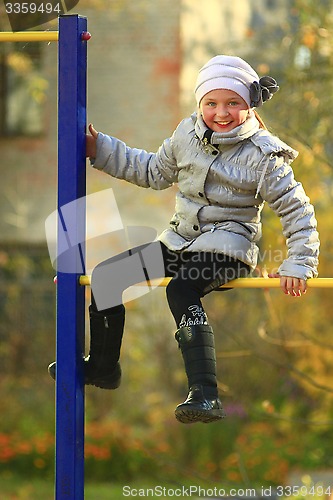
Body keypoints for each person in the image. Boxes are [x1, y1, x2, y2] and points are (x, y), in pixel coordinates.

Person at [49, 55, 319, 424]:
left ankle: (205, 394)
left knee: (180, 289)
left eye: (233, 103)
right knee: (107, 278)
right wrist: (103, 150)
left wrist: (299, 263)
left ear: (250, 105)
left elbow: (298, 211)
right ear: (199, 104)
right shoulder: (185, 135)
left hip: (228, 248)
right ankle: (103, 367)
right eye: (211, 103)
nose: (221, 113)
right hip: (179, 241)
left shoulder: (264, 156)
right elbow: (152, 171)